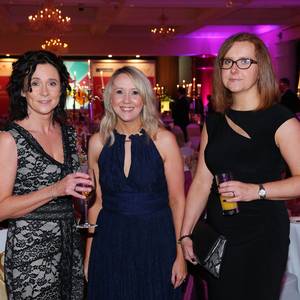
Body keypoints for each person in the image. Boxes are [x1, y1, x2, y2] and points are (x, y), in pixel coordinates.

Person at [179, 32, 300, 300]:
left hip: (263, 236)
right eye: (227, 62)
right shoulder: (214, 121)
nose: (234, 69)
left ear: (261, 69)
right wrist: (185, 234)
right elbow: (201, 181)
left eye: (244, 61)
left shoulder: (281, 119)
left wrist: (255, 190)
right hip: (219, 236)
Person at [85, 66, 186, 299]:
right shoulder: (97, 143)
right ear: (110, 98)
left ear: (145, 98)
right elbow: (96, 203)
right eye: (119, 92)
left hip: (156, 241)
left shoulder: (164, 140)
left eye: (135, 92)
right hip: (110, 242)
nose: (127, 100)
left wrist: (180, 253)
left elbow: (177, 201)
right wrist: (90, 254)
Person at [0, 50, 92, 299]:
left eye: (52, 83)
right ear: (22, 90)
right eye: (35, 84)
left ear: (62, 89)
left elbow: (80, 188)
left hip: (70, 246)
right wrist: (55, 190)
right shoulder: (10, 140)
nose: (44, 92)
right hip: (30, 255)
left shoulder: (70, 135)